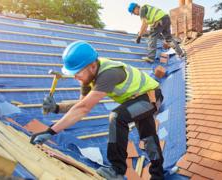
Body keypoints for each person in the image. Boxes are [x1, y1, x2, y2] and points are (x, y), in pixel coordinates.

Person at [30, 41, 165, 180]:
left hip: (151, 97)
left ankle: (117, 170)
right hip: (136, 100)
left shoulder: (108, 74)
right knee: (148, 137)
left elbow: (83, 109)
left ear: (93, 66)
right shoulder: (87, 77)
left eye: (77, 73)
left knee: (117, 117)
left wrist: (50, 132)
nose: (75, 77)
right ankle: (158, 175)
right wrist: (57, 108)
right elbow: (82, 103)